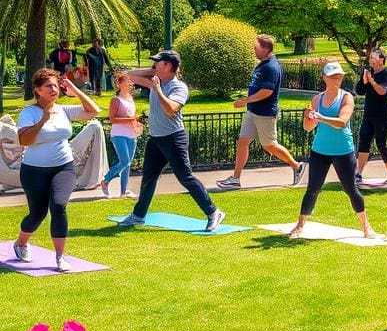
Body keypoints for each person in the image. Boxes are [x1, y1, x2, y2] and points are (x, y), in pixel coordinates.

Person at [117, 50, 226, 232]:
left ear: (168, 66)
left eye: (158, 63)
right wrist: (153, 73)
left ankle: (213, 212)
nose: (154, 66)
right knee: (148, 178)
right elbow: (128, 75)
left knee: (185, 177)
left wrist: (158, 89)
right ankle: (138, 215)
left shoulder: (178, 88)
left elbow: (170, 110)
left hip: (174, 138)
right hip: (156, 139)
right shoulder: (155, 81)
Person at [12, 68, 100, 271]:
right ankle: (21, 243)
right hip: (34, 170)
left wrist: (75, 90)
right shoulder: (29, 112)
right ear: (37, 90)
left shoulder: (63, 110)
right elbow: (24, 140)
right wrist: (42, 120)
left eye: (55, 85)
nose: (53, 89)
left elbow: (93, 110)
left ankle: (60, 257)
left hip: (63, 167)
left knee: (59, 206)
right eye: (48, 86)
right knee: (38, 214)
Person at [291, 61, 375, 238]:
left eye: (338, 75)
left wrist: (320, 117)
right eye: (332, 76)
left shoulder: (346, 98)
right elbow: (307, 127)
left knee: (351, 189)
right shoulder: (317, 99)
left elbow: (342, 122)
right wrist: (308, 117)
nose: (336, 78)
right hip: (320, 151)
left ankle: (366, 227)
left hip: (343, 151)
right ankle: (299, 226)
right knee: (313, 189)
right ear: (324, 78)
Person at [217, 34, 305, 190]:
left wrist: (245, 101)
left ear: (266, 48)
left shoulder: (271, 67)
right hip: (253, 112)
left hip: (265, 113)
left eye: (256, 48)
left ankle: (296, 166)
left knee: (269, 145)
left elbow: (266, 92)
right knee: (242, 142)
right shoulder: (262, 64)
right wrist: (247, 100)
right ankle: (235, 179)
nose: (254, 51)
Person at [355, 47, 387, 184]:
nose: (371, 61)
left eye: (374, 58)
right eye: (370, 58)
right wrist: (364, 80)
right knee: (364, 142)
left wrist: (372, 81)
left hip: (381, 115)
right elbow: (359, 91)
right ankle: (358, 173)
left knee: (381, 144)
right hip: (368, 114)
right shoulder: (367, 73)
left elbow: (382, 92)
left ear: (381, 60)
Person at [100, 70, 140, 199]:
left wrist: (136, 122)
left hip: (131, 134)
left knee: (127, 164)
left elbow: (132, 116)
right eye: (127, 81)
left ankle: (124, 191)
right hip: (119, 134)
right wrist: (130, 119)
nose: (130, 83)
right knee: (124, 161)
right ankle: (106, 180)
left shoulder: (130, 98)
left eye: (130, 81)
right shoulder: (116, 100)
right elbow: (112, 119)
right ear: (119, 84)